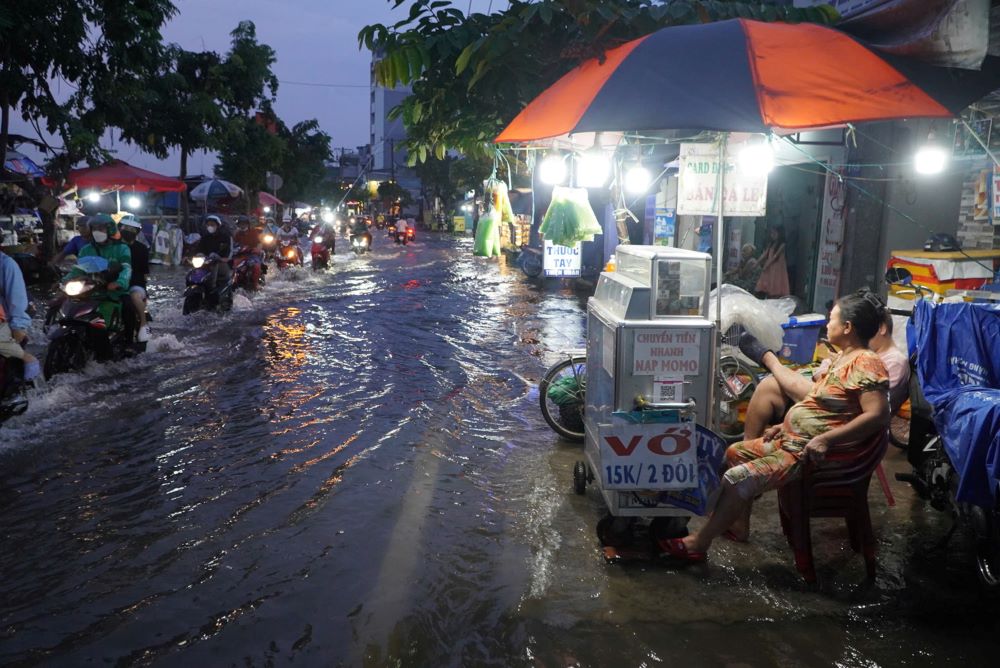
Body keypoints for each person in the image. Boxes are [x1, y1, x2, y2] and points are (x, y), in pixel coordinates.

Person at [660, 291, 891, 562]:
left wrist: (827, 440)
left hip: (806, 454)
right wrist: (783, 426)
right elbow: (823, 405)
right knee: (733, 453)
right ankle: (735, 524)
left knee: (739, 479)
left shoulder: (866, 362)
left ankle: (699, 543)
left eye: (832, 319)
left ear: (848, 327)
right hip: (790, 440)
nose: (828, 325)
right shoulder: (843, 358)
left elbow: (877, 415)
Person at [742, 303, 908, 442]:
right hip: (829, 399)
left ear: (881, 328)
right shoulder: (865, 353)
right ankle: (748, 443)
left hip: (838, 415)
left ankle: (769, 360)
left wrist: (834, 373)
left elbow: (865, 407)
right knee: (770, 386)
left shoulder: (892, 361)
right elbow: (824, 369)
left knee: (775, 382)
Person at [0, 248, 41, 381]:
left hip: (7, 320)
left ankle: (28, 360)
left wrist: (18, 326)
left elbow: (17, 297)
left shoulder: (6, 264)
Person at [118, 216, 151, 343]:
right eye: (125, 227)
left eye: (132, 229)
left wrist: (144, 290)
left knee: (135, 297)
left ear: (137, 231)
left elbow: (144, 273)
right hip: (115, 283)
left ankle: (143, 323)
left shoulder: (142, 249)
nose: (128, 230)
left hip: (135, 284)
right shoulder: (114, 246)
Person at [197, 215, 232, 293]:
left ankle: (212, 288)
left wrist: (219, 258)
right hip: (206, 262)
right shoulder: (205, 237)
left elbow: (228, 253)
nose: (210, 226)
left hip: (221, 263)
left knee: (214, 265)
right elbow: (199, 250)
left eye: (212, 225)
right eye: (208, 225)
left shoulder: (225, 237)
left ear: (218, 226)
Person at [755, 225, 790, 298]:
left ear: (780, 234)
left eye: (774, 233)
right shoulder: (771, 244)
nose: (772, 235)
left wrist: (767, 264)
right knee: (767, 283)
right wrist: (757, 263)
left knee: (775, 283)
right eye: (771, 233)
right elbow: (764, 255)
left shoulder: (782, 244)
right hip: (770, 266)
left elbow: (775, 256)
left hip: (777, 267)